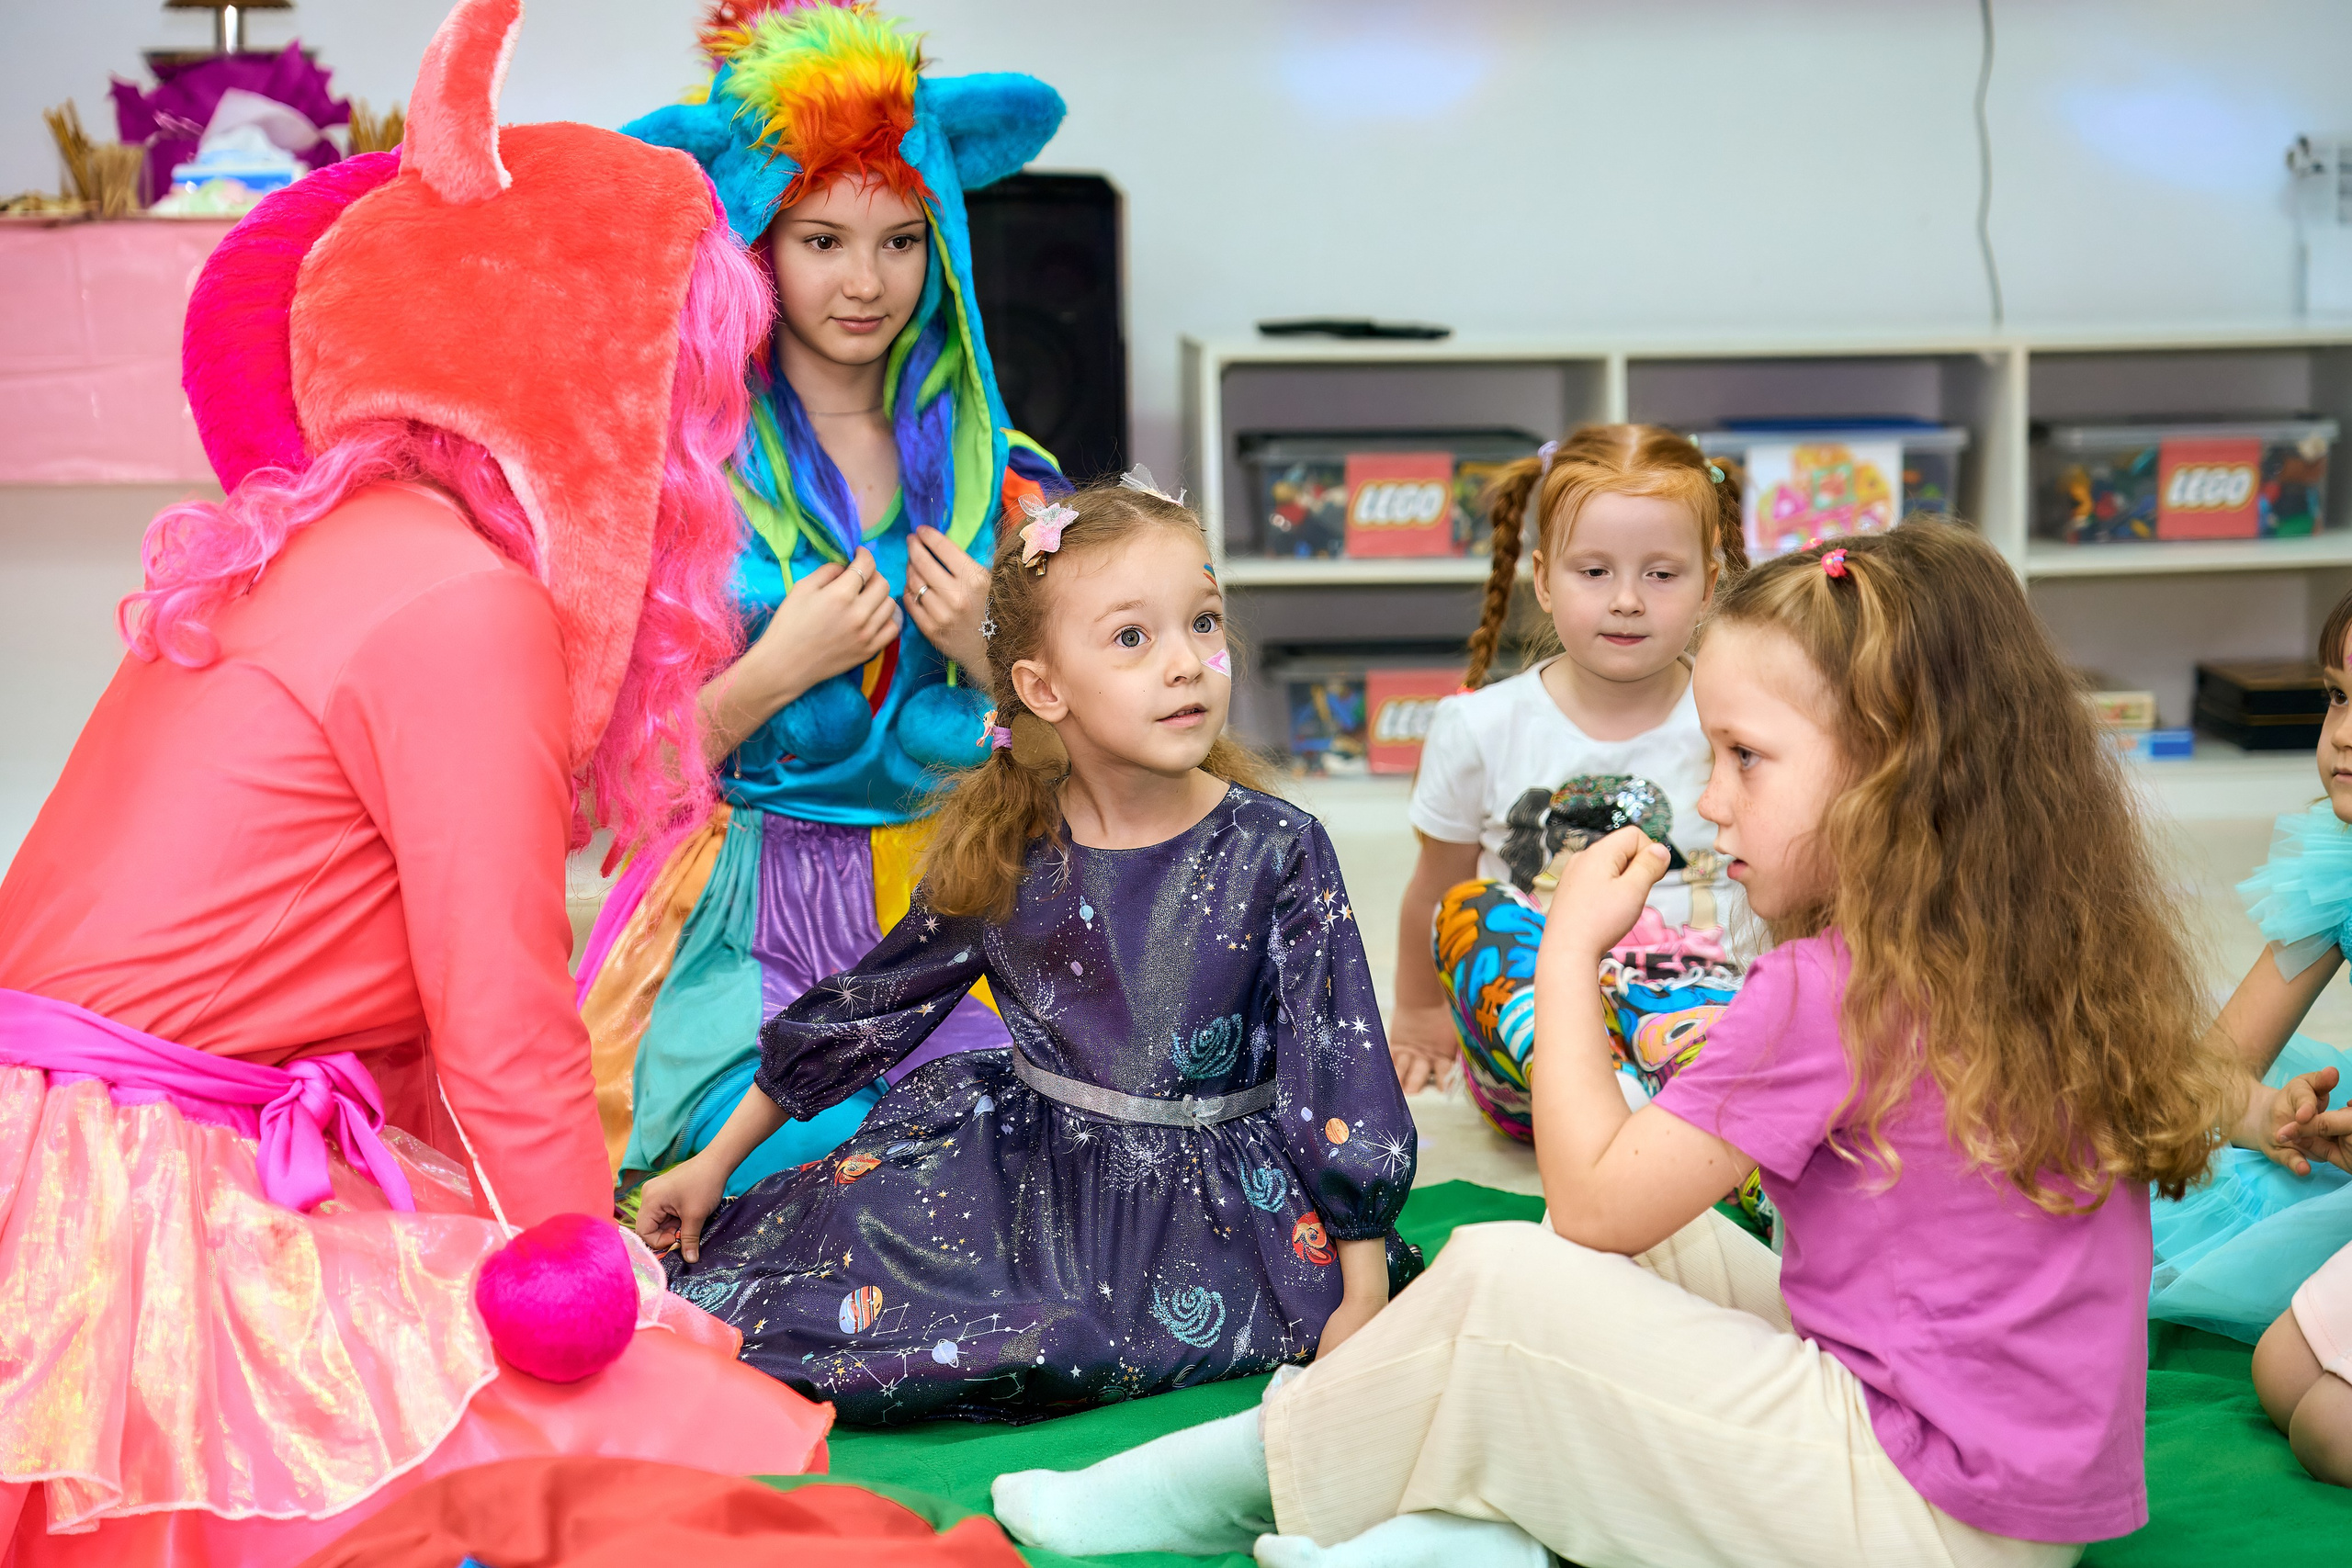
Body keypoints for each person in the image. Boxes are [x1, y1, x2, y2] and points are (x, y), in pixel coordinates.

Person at [990, 523, 2235, 1568]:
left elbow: (1588, 1207)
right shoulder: (2022, 935)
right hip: (2014, 1500)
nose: (1710, 799)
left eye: (1746, 757)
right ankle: (1473, 1526)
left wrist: (1567, 947)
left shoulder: (1834, 984)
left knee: (1509, 1272)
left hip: (1924, 1509)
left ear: (1893, 776)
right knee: (1679, 1236)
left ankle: (1238, 1474)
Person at [0, 1, 830, 1559]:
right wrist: (589, 1274)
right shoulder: (465, 604)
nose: (696, 451)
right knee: (627, 1441)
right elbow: (502, 1021)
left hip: (72, 1139)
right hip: (125, 1188)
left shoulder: (326, 538)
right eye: (686, 396)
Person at [633, 476, 1420, 1426]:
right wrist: (715, 1162)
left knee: (1071, 1342)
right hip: (1031, 1184)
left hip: (1211, 1212)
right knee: (832, 1282)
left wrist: (1363, 1285)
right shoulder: (1009, 849)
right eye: (1133, 638)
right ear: (1043, 687)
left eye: (1203, 623)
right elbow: (868, 1012)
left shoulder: (1277, 847)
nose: (1187, 664)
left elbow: (1338, 1071)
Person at [579, 0, 1071, 1200]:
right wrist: (768, 675)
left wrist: (994, 660)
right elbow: (604, 785)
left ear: (943, 239)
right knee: (779, 1175)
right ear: (754, 240)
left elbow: (1104, 759)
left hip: (960, 912)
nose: (869, 282)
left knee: (1009, 1160)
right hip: (742, 924)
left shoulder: (1009, 483)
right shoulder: (677, 485)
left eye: (903, 240)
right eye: (822, 241)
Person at [1388, 427, 1749, 1164]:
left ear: (1711, 582)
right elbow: (1434, 886)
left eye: (1661, 574)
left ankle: (1699, 1128)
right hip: (1538, 1057)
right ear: (1545, 580)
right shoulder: (1480, 725)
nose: (1625, 600)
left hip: (1696, 1021)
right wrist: (1421, 1016)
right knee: (1473, 909)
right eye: (1594, 571)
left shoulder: (1742, 718)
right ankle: (1622, 1108)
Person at [2144, 587, 2352, 1343]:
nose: (2343, 735)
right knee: (2146, 1134)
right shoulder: (2340, 861)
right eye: (2336, 697)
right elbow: (2212, 1073)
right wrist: (2268, 1117)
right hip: (2338, 1130)